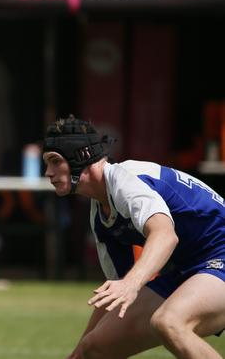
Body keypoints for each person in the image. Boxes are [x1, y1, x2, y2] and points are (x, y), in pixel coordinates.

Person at [42, 115, 225, 359]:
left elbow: (165, 235)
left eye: (55, 161)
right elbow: (114, 295)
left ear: (82, 156)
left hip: (218, 255)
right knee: (94, 349)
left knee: (170, 322)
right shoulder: (100, 214)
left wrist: (131, 283)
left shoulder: (126, 179)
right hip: (187, 269)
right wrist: (78, 352)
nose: (48, 172)